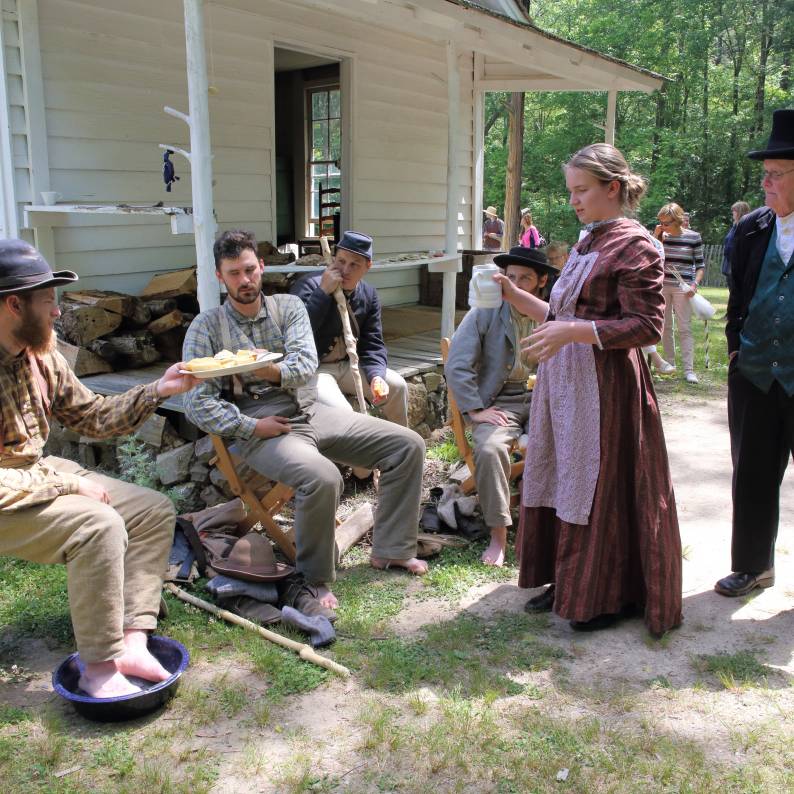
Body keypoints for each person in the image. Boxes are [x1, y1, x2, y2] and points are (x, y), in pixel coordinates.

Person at [182, 230, 428, 610]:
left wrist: (267, 370)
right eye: (234, 274)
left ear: (261, 267)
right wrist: (250, 427)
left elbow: (305, 365)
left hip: (309, 408)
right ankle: (315, 579)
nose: (245, 281)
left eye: (250, 270)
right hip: (258, 424)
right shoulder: (206, 328)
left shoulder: (288, 307)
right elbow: (197, 404)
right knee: (323, 476)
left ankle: (392, 549)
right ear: (220, 277)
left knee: (407, 444)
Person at [495, 143, 682, 637]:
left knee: (598, 487)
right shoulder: (588, 240)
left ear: (612, 188)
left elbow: (647, 327)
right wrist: (515, 295)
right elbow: (563, 318)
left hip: (606, 388)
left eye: (582, 190)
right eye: (571, 191)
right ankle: (569, 580)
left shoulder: (635, 244)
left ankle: (606, 594)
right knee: (562, 477)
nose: (574, 200)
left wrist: (574, 332)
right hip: (565, 381)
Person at [0, 239, 198, 698]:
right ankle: (99, 667)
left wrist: (158, 390)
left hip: (36, 469)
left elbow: (91, 416)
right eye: (48, 301)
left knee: (151, 510)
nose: (56, 313)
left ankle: (132, 639)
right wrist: (66, 483)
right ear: (14, 304)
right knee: (97, 524)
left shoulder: (40, 354)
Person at [715, 108, 794, 598]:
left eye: (776, 174)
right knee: (753, 472)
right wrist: (735, 354)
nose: (765, 183)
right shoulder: (751, 230)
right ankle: (753, 565)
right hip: (756, 373)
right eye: (764, 174)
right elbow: (739, 299)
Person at [445, 247, 556, 567]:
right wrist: (475, 410)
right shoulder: (485, 310)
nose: (516, 284)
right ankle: (499, 536)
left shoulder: (548, 313)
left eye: (526, 278)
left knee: (566, 438)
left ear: (541, 281)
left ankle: (549, 527)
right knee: (491, 449)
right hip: (498, 401)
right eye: (511, 277)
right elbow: (457, 365)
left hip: (542, 397)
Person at [289, 231, 408, 427]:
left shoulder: (368, 295)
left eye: (354, 264)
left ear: (367, 267)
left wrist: (376, 374)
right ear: (334, 258)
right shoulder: (307, 286)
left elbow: (373, 344)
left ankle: (402, 448)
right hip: (314, 369)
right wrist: (323, 293)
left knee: (397, 386)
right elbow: (298, 334)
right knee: (344, 413)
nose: (345, 269)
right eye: (341, 261)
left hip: (347, 366)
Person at [654, 202, 705, 384]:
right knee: (665, 327)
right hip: (662, 286)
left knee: (684, 327)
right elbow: (651, 258)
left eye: (666, 223)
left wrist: (694, 284)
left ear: (678, 221)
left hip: (683, 287)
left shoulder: (693, 237)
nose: (662, 226)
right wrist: (656, 237)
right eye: (660, 222)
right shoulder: (661, 237)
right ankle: (669, 364)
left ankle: (689, 370)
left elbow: (700, 265)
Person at [721, 201, 751, 291]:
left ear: (740, 212)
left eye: (734, 210)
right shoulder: (735, 226)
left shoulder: (746, 226)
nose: (732, 213)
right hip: (730, 265)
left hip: (738, 266)